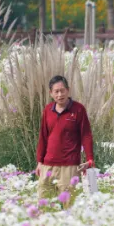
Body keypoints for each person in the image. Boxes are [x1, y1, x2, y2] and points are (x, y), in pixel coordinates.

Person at [36, 75, 94, 205]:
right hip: (48, 166)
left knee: (69, 207)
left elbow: (86, 135)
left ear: (68, 90)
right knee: (44, 206)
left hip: (69, 166)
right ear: (51, 93)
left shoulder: (79, 109)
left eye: (62, 90)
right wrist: (40, 161)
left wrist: (90, 159)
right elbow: (43, 136)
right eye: (56, 91)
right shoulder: (47, 110)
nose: (60, 94)